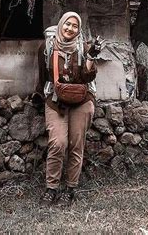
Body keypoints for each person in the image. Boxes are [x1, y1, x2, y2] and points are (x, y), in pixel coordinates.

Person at [35, 11, 101, 206]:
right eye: (67, 24)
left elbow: (88, 77)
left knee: (76, 144)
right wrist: (40, 96)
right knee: (58, 143)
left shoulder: (83, 47)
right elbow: (41, 76)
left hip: (82, 100)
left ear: (78, 29)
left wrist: (91, 57)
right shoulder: (46, 47)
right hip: (55, 100)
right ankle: (51, 188)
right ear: (60, 24)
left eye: (74, 26)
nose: (70, 28)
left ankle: (70, 189)